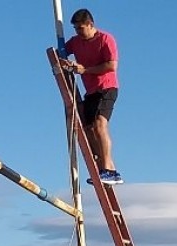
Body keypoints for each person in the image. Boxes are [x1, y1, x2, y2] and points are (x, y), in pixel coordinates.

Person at [62, 8, 122, 185]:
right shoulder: (76, 42)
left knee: (99, 125)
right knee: (89, 129)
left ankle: (108, 170)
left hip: (106, 87)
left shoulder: (105, 39)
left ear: (90, 24)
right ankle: (107, 168)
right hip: (91, 92)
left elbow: (111, 65)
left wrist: (84, 70)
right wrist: (66, 62)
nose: (78, 32)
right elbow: (62, 51)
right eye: (75, 29)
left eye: (81, 28)